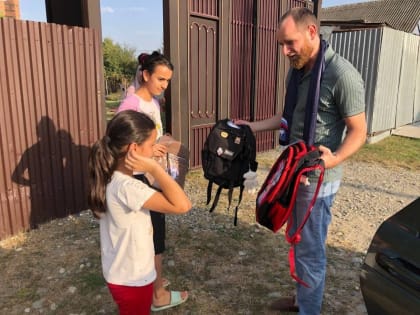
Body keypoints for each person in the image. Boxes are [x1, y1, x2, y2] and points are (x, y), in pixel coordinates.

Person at [236, 7, 367, 314]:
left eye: (290, 42)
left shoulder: (341, 75)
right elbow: (288, 119)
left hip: (318, 179)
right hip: (293, 173)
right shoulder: (298, 71)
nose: (284, 51)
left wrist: (333, 160)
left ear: (311, 32)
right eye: (281, 44)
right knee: (297, 240)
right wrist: (251, 126)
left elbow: (359, 131)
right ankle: (301, 299)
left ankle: (309, 309)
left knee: (310, 250)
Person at [87, 110, 191, 314]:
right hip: (132, 279)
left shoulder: (111, 175)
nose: (154, 150)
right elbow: (183, 205)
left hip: (120, 272)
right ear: (134, 149)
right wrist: (155, 168)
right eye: (151, 145)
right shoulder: (129, 187)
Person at [117, 51, 190, 311]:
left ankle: (153, 279)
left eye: (168, 81)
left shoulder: (154, 103)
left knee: (151, 233)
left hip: (152, 173)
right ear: (145, 75)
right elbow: (120, 146)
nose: (164, 85)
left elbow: (149, 138)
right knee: (154, 234)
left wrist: (161, 141)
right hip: (140, 179)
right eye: (160, 79)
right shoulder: (130, 106)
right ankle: (157, 294)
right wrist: (149, 151)